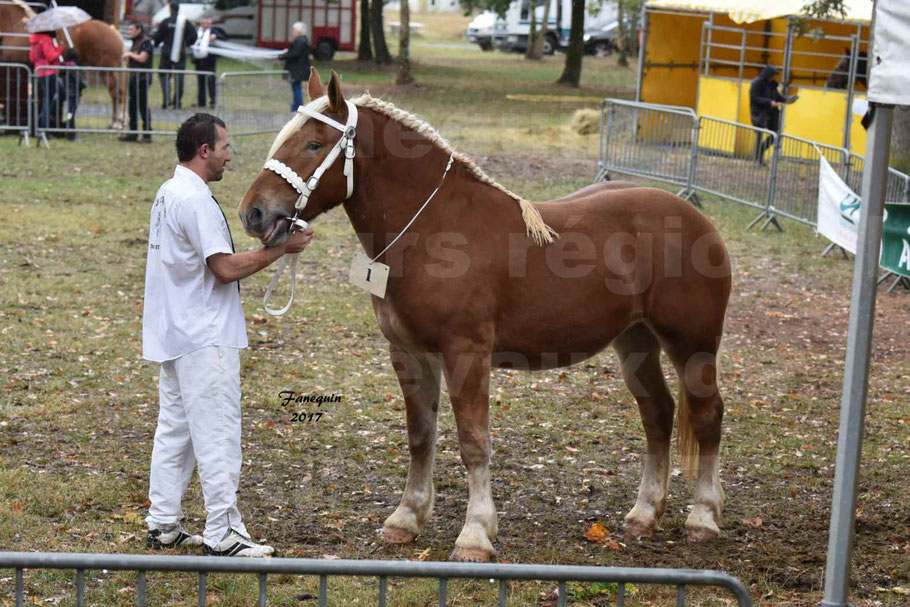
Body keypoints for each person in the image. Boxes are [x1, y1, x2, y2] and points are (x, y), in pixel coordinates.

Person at [142, 114, 314, 557]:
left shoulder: (167, 192)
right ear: (204, 151)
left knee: (175, 432)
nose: (229, 155)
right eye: (224, 147)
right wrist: (279, 250)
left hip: (175, 331)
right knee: (217, 433)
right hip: (204, 335)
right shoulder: (195, 199)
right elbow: (223, 268)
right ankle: (224, 531)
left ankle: (163, 523)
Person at [749, 65, 797, 163]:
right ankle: (758, 157)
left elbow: (778, 97)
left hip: (771, 113)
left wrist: (788, 100)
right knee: (759, 135)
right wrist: (769, 102)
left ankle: (760, 151)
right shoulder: (756, 83)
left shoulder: (772, 84)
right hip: (759, 113)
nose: (775, 77)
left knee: (775, 134)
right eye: (774, 75)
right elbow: (754, 98)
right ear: (768, 74)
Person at [154, 2, 197, 109]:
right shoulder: (185, 22)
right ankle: (177, 102)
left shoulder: (165, 21)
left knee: (164, 76)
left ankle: (167, 100)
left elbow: (157, 37)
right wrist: (186, 43)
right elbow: (194, 36)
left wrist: (156, 43)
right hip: (180, 52)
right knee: (179, 77)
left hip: (166, 53)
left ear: (170, 9)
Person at [122, 22, 154, 143]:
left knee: (142, 106)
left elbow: (142, 58)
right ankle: (133, 133)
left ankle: (147, 134)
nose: (130, 31)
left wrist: (130, 54)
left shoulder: (146, 42)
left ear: (139, 29)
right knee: (132, 106)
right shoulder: (135, 42)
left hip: (142, 79)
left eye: (132, 29)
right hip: (133, 79)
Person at [29, 30, 63, 130]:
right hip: (49, 72)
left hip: (40, 72)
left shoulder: (34, 40)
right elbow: (51, 57)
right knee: (50, 99)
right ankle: (44, 125)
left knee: (46, 99)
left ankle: (42, 122)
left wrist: (55, 49)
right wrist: (60, 49)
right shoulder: (46, 39)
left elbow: (32, 58)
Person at [191, 18, 226, 108]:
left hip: (210, 61)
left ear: (210, 24)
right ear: (201, 24)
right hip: (199, 61)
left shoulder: (213, 31)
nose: (205, 25)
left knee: (211, 82)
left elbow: (223, 37)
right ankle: (201, 102)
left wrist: (215, 36)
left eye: (207, 24)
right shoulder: (196, 32)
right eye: (203, 23)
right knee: (201, 82)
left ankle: (213, 101)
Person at [278, 22, 311, 111]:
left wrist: (283, 56)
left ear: (299, 31)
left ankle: (298, 106)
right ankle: (296, 105)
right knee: (296, 87)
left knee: (296, 87)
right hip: (299, 69)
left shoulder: (300, 41)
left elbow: (295, 54)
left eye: (295, 30)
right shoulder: (302, 40)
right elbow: (295, 51)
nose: (293, 32)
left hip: (297, 69)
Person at [61, 48, 85, 141]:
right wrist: (84, 85)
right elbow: (79, 81)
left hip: (67, 91)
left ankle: (69, 132)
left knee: (69, 113)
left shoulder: (64, 66)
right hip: (74, 93)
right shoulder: (74, 68)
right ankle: (71, 134)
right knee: (71, 114)